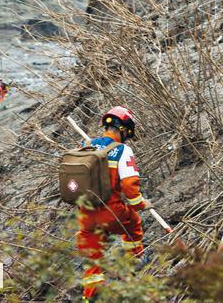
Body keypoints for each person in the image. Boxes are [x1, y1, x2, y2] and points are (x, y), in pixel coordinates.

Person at [76, 107, 151, 301]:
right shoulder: (122, 150)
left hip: (85, 213)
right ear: (125, 129)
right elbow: (130, 186)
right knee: (133, 223)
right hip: (111, 211)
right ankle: (134, 260)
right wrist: (141, 204)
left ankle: (91, 295)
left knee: (92, 256)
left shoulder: (85, 145)